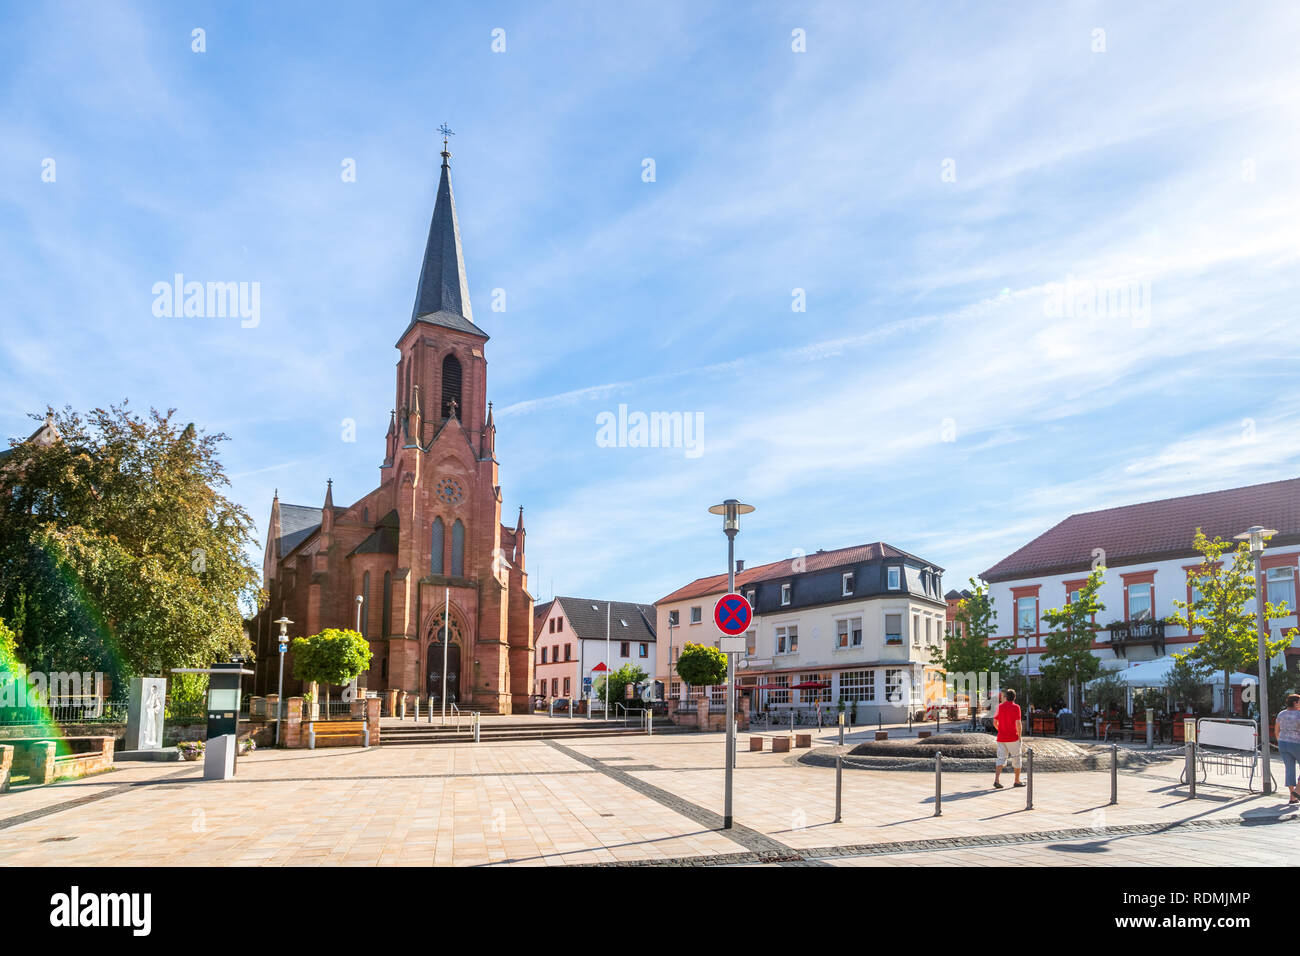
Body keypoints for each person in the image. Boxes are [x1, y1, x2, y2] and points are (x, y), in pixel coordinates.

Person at [994, 688, 1024, 789]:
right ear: (1014, 697)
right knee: (1017, 759)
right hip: (1013, 737)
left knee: (1000, 759)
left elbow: (994, 722)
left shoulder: (1000, 707)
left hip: (1001, 738)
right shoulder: (1016, 707)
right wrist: (1019, 736)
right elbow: (1018, 723)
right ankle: (1017, 780)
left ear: (1006, 697)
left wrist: (1001, 730)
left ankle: (997, 780)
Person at [1275, 693, 1300, 805]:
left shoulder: (1281, 714)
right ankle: (1297, 790)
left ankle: (1292, 797)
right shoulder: (1298, 715)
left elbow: (1277, 730)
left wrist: (1280, 740)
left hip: (1283, 743)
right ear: (1295, 703)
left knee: (1289, 769)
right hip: (1296, 743)